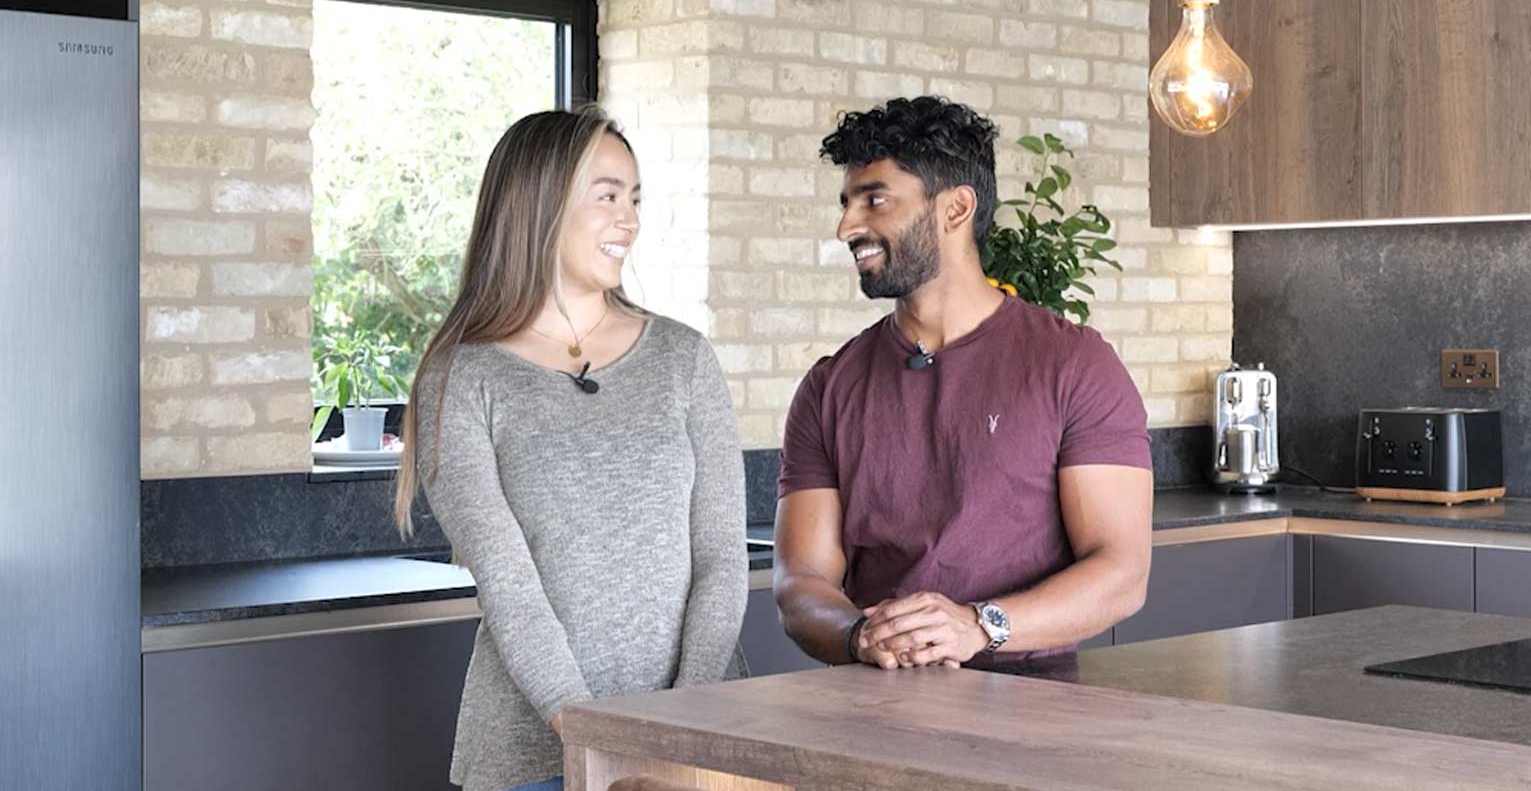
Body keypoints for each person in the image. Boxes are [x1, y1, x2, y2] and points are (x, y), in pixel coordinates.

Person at [394, 109, 748, 791]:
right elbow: (509, 587)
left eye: (636, 199)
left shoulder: (683, 359)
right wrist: (600, 745)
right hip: (535, 757)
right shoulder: (462, 376)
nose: (630, 220)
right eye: (608, 196)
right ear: (539, 204)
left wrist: (684, 732)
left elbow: (721, 560)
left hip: (704, 748)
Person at [773, 96, 1153, 674]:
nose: (847, 226)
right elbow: (801, 582)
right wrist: (858, 636)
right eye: (847, 204)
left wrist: (978, 626)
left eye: (874, 199)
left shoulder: (1074, 364)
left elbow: (1122, 572)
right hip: (871, 706)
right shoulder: (830, 386)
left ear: (956, 208)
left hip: (1033, 709)